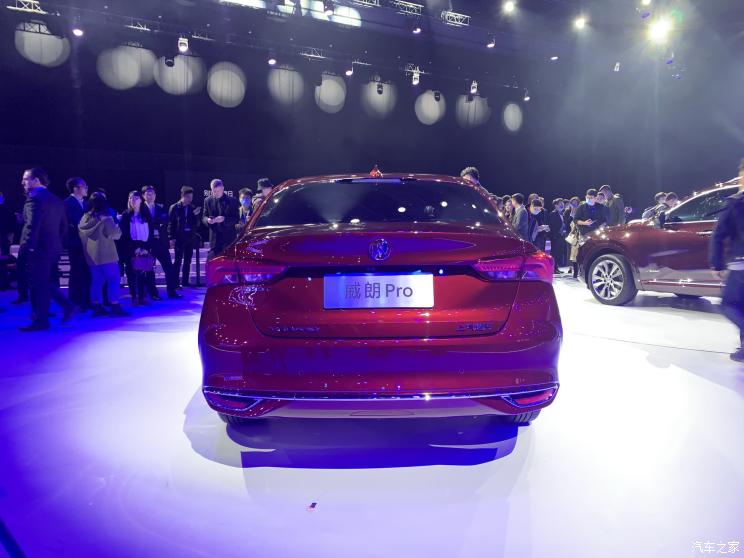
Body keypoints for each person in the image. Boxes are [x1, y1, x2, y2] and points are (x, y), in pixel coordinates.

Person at [17, 168, 75, 331]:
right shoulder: (56, 199)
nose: (23, 182)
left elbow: (31, 226)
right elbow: (63, 226)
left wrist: (26, 248)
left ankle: (40, 320)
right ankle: (65, 306)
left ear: (36, 180)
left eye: (26, 179)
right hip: (53, 249)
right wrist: (56, 244)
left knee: (37, 285)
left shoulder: (34, 199)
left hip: (37, 249)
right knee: (45, 282)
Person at [711, 159, 744, 362]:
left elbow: (718, 235)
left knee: (728, 305)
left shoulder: (735, 202)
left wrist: (716, 264)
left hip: (740, 266)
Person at [78, 192, 127, 317]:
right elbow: (114, 234)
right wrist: (118, 226)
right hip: (107, 254)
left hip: (91, 256)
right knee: (113, 279)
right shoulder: (106, 217)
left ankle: (97, 306)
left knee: (96, 282)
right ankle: (114, 305)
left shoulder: (85, 218)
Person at [142, 185, 181, 299]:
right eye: (148, 194)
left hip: (161, 242)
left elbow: (166, 219)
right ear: (143, 196)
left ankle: (172, 292)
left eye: (152, 193)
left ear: (155, 195)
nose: (150, 196)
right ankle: (153, 294)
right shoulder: (141, 208)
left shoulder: (160, 207)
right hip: (148, 243)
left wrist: (153, 222)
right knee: (149, 269)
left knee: (169, 267)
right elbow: (146, 222)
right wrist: (156, 222)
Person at [120, 190, 158, 305]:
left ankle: (142, 296)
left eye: (135, 198)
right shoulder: (126, 215)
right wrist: (135, 248)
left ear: (140, 200)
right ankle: (134, 296)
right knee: (132, 274)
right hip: (131, 249)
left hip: (145, 248)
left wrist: (145, 248)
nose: (133, 200)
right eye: (131, 198)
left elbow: (150, 233)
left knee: (144, 273)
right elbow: (124, 235)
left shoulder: (146, 215)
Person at [63, 177, 91, 310]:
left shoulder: (86, 203)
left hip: (87, 243)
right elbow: (76, 222)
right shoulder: (67, 203)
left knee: (86, 271)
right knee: (76, 271)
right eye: (84, 186)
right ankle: (75, 300)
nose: (86, 188)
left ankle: (85, 299)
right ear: (75, 188)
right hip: (75, 243)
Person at [169, 186, 200, 288]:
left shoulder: (192, 207)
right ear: (183, 196)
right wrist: (171, 237)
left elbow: (197, 224)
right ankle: (175, 283)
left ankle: (185, 282)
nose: (190, 199)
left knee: (188, 260)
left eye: (191, 197)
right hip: (179, 237)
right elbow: (171, 223)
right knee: (178, 260)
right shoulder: (175, 207)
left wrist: (196, 215)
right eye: (188, 197)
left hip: (190, 237)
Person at [203, 179, 240, 259]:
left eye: (218, 191)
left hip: (228, 239)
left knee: (228, 263)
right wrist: (208, 220)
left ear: (223, 188)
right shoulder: (208, 200)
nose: (216, 193)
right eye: (214, 191)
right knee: (211, 262)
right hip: (214, 240)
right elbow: (204, 217)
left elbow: (236, 218)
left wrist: (224, 219)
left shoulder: (232, 201)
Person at [548, 198, 568, 272]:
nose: (562, 205)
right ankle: (553, 269)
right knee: (554, 253)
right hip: (555, 237)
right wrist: (555, 236)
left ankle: (556, 268)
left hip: (561, 237)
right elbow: (552, 226)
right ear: (556, 205)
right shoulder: (553, 214)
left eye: (562, 204)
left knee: (558, 253)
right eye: (560, 204)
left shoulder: (562, 214)